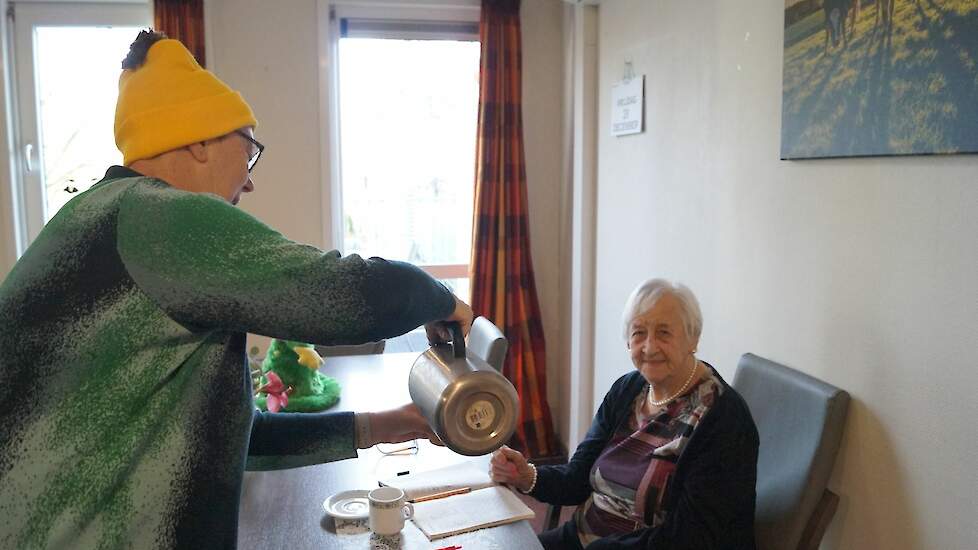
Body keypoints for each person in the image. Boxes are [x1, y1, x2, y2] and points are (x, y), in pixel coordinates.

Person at [0, 31, 472, 549]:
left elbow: (226, 438)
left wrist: (385, 425)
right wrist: (440, 299)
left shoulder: (97, 217)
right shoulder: (159, 217)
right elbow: (343, 294)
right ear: (199, 141)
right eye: (249, 150)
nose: (249, 182)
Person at [491, 279, 758, 549]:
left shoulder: (723, 419)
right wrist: (526, 475)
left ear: (693, 338)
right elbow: (578, 477)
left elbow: (693, 537)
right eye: (638, 333)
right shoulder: (627, 391)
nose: (649, 347)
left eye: (664, 333)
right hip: (586, 538)